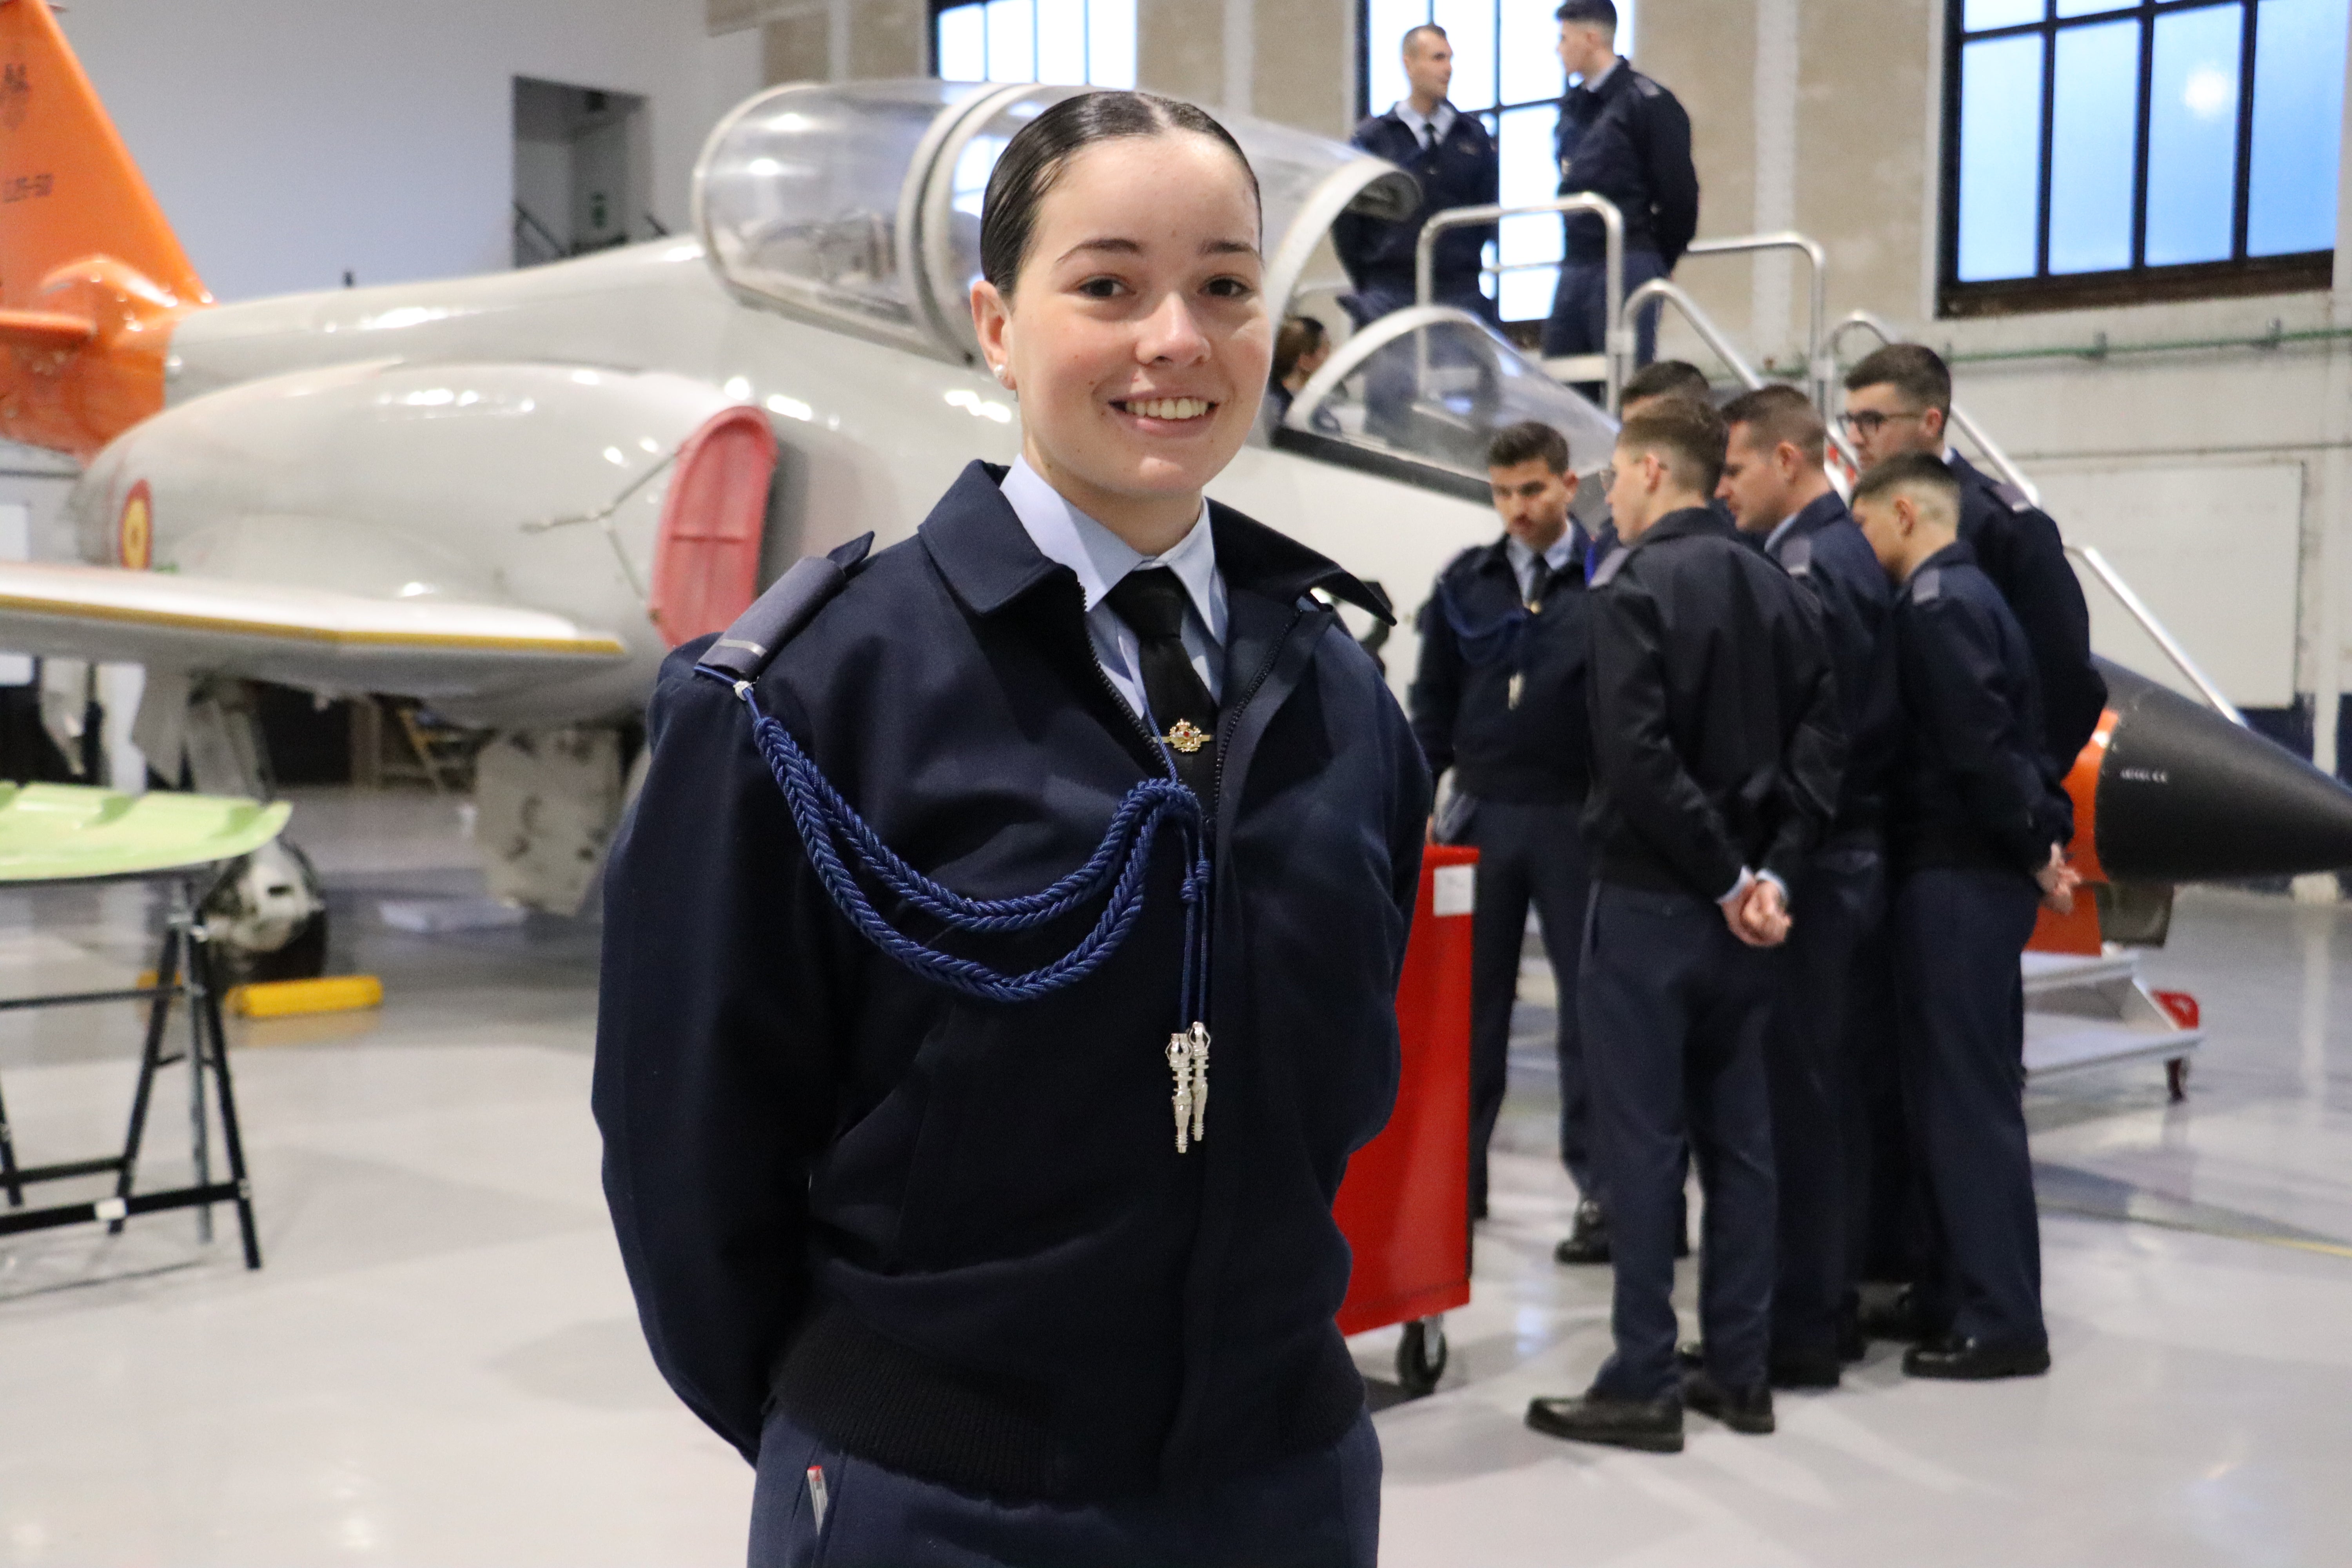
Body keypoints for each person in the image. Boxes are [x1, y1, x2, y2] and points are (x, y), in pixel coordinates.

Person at [594, 90, 1430, 1565]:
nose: (1176, 338)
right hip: (943, 1504)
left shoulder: (1340, 693)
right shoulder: (810, 700)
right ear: (994, 321)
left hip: (1282, 1487)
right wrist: (866, 1430)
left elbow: (1345, 1079)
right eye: (1107, 285)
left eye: (1226, 288)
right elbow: (686, 1157)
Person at [1524, 398, 1843, 1454]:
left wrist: (1718, 879)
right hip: (1751, 918)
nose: (1604, 499)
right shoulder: (1787, 593)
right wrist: (1772, 882)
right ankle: (1741, 1373)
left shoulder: (1635, 590)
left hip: (1659, 903)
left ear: (1654, 473)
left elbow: (1639, 761)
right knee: (1741, 1145)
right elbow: (1817, 763)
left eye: (1612, 478)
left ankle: (1645, 1377)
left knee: (1644, 1145)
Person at [1850, 454, 2078, 1382]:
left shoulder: (1938, 609)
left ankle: (2003, 1317)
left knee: (1965, 1103)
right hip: (1973, 874)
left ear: (1906, 511)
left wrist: (2034, 846)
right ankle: (1955, 1288)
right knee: (1950, 1096)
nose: (1861, 550)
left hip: (1955, 876)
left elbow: (1981, 750)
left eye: (1866, 528)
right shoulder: (1976, 596)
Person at [1718, 385, 1899, 1388]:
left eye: (1739, 467)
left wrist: (1771, 858)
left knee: (1800, 1098)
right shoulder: (1839, 553)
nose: (1728, 487)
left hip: (1820, 863)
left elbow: (1816, 734)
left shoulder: (1811, 564)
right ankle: (1826, 1303)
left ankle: (1805, 1321)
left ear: (1790, 459)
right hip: (1849, 855)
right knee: (1827, 1095)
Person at [1408, 420, 1595, 1234]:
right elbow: (1431, 708)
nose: (1517, 510)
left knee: (1592, 1013)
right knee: (1466, 1010)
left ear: (1569, 486)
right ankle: (1458, 1178)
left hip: (1577, 819)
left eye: (1533, 490)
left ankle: (1601, 1193)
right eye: (1503, 493)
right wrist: (1416, 801)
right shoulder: (1466, 582)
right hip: (1480, 815)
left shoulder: (1610, 580)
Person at [1840, 343, 2106, 773]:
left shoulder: (2003, 526)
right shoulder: (1860, 519)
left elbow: (2066, 675)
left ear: (1931, 421)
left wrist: (2029, 792)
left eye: (1872, 421)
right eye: (1850, 421)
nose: (1854, 437)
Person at [1541, 0, 1699, 372]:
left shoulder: (1648, 103)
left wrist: (1661, 257)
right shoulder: (1572, 110)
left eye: (1565, 39)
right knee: (1565, 381)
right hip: (1577, 260)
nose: (1558, 48)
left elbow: (1679, 194)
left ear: (1591, 39)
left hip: (1628, 255)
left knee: (1625, 379)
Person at [1333, 22, 1499, 327]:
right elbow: (1347, 222)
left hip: (1458, 288)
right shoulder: (1373, 140)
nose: (1448, 69)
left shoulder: (1473, 137)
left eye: (1450, 59)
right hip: (1390, 289)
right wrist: (1371, 279)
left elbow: (1488, 215)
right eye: (1438, 58)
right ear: (1409, 64)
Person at [1263, 313, 1336, 434]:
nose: (1331, 356)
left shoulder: (1271, 400)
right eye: (1326, 348)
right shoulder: (1288, 411)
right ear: (1305, 361)